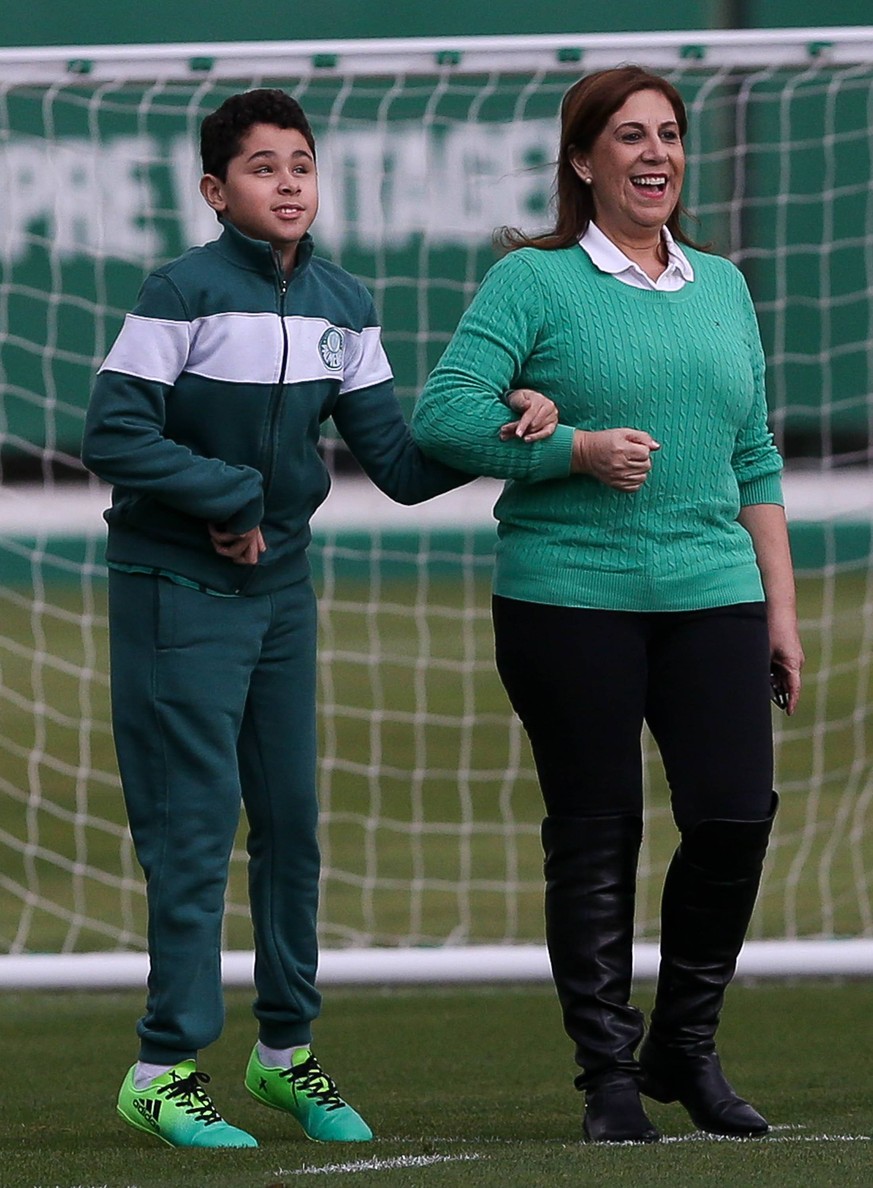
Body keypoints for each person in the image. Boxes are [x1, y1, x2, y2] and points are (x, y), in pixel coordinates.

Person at [81, 87, 559, 1150]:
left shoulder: (346, 302)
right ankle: (162, 1069)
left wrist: (509, 424)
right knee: (195, 834)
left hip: (280, 602)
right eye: (262, 166)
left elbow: (395, 462)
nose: (288, 182)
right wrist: (228, 496)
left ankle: (283, 1053)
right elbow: (113, 433)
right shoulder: (180, 293)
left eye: (300, 163)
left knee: (291, 827)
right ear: (215, 190)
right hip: (175, 597)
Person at [411, 65, 804, 1145]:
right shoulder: (531, 284)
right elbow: (441, 418)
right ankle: (609, 1081)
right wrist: (572, 452)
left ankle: (683, 1047)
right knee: (597, 835)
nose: (654, 154)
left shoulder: (723, 285)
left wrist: (780, 608)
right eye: (627, 137)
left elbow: (756, 457)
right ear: (583, 162)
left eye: (668, 135)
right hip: (566, 598)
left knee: (734, 816)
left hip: (713, 591)